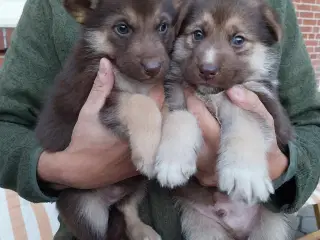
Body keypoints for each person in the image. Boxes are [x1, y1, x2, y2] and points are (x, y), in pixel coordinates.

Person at [0, 0, 319, 239]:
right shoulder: (53, 7)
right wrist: (60, 169)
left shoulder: (267, 8)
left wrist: (280, 166)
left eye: (238, 41)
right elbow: (6, 121)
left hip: (257, 216)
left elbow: (310, 123)